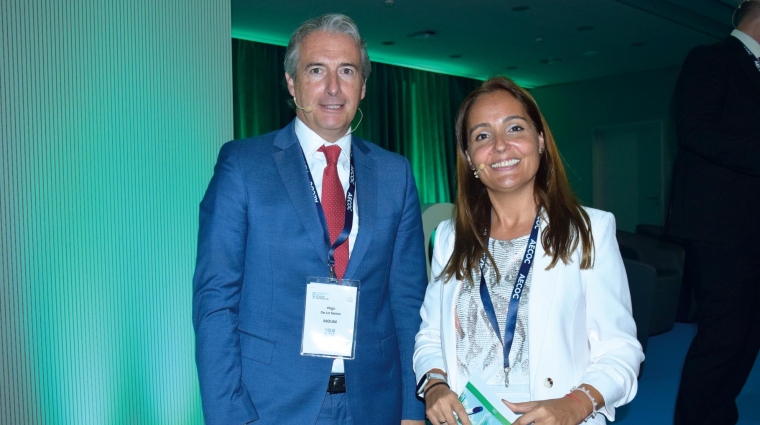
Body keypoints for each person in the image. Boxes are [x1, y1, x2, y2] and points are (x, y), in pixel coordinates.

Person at [193, 14, 427, 425]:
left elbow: (408, 304)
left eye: (347, 71)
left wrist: (412, 409)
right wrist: (230, 415)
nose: (333, 88)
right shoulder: (243, 166)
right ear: (291, 82)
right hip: (270, 406)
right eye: (317, 70)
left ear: (364, 86)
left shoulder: (396, 174)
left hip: (375, 405)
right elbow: (216, 304)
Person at [413, 77, 643, 425]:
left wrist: (575, 405)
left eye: (514, 128)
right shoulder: (450, 237)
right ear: (470, 158)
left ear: (539, 141)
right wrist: (434, 384)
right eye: (482, 136)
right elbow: (431, 333)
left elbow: (621, 350)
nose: (501, 146)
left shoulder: (589, 231)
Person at [667, 1, 760, 423]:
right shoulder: (710, 58)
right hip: (718, 225)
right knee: (724, 334)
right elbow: (695, 130)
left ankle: (719, 414)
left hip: (750, 227)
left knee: (748, 334)